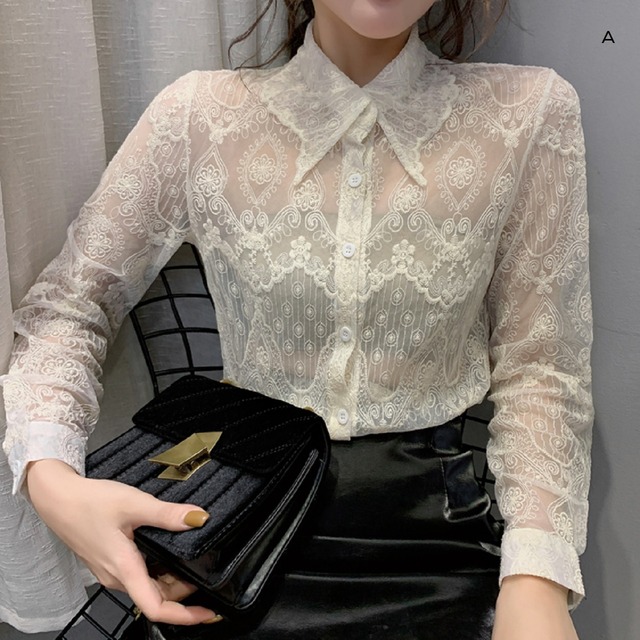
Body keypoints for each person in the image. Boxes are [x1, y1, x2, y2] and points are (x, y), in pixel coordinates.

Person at [1, 0, 593, 638]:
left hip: (436, 543)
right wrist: (50, 475)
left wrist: (537, 580)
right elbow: (69, 304)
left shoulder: (527, 115)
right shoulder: (199, 117)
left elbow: (543, 367)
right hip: (232, 538)